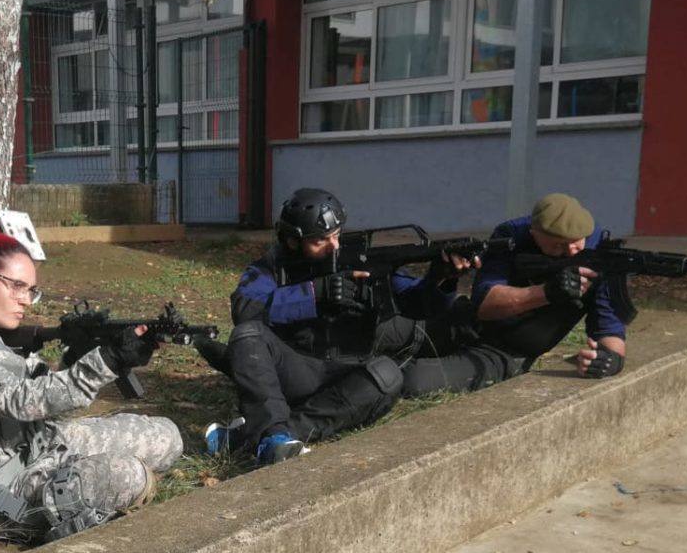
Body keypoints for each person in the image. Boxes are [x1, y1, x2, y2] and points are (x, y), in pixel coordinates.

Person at [0, 227, 182, 542]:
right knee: (130, 474)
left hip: (36, 445)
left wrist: (101, 358)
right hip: (0, 490)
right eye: (17, 287)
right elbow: (17, 400)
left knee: (168, 436)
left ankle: (84, 483)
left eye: (31, 289)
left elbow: (47, 402)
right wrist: (106, 361)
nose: (26, 301)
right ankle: (63, 512)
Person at [203, 188, 471, 466]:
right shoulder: (271, 268)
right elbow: (245, 310)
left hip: (346, 374)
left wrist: (440, 280)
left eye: (337, 235)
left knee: (388, 376)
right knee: (247, 335)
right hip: (294, 370)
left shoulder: (358, 260)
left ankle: (267, 437)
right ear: (293, 241)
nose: (334, 246)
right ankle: (271, 435)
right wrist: (315, 293)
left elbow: (417, 305)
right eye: (321, 240)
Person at [401, 193, 629, 396]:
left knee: (413, 379)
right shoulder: (511, 235)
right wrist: (547, 292)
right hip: (466, 321)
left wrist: (611, 360)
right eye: (558, 246)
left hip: (506, 352)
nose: (570, 252)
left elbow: (610, 329)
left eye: (577, 243)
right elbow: (484, 305)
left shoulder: (602, 253)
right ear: (534, 234)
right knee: (391, 334)